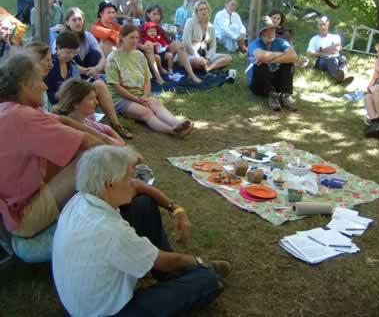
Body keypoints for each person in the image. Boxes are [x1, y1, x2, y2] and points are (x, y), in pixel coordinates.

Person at [52, 145, 230, 317]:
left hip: (81, 300)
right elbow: (163, 261)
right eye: (128, 178)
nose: (133, 182)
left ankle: (172, 276)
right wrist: (197, 262)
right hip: (102, 313)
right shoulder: (110, 231)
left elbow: (139, 186)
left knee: (143, 203)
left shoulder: (82, 198)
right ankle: (199, 272)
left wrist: (176, 209)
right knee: (208, 280)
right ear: (110, 184)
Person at [0, 52, 105, 238]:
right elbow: (88, 143)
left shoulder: (8, 108)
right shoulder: (23, 117)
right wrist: (120, 152)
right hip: (22, 218)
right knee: (92, 157)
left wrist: (109, 138)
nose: (45, 86)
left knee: (74, 154)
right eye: (41, 80)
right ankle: (110, 214)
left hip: (10, 205)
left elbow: (59, 120)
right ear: (24, 85)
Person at [106, 24, 195, 137]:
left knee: (156, 104)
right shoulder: (113, 58)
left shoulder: (139, 55)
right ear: (122, 38)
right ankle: (173, 131)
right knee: (146, 112)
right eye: (131, 37)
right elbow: (116, 87)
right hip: (121, 99)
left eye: (137, 38)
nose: (134, 41)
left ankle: (177, 123)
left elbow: (147, 79)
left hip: (140, 95)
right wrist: (137, 99)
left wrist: (145, 95)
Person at [45, 31, 133, 139]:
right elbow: (49, 94)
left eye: (74, 53)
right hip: (59, 104)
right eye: (68, 52)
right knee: (86, 106)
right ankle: (94, 132)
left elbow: (78, 85)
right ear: (57, 48)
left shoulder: (72, 65)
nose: (71, 56)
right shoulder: (50, 65)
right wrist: (68, 94)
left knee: (99, 84)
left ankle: (116, 124)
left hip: (74, 100)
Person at [53, 78, 126, 146]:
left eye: (95, 98)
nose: (97, 102)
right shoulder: (68, 129)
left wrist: (121, 143)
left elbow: (108, 129)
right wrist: (118, 145)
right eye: (91, 99)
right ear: (75, 103)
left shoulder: (83, 120)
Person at [140, 4, 201, 84]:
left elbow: (168, 42)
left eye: (158, 14)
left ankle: (191, 74)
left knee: (178, 43)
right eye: (154, 14)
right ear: (148, 14)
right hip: (150, 54)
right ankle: (158, 77)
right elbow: (137, 42)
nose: (157, 17)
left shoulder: (160, 28)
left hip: (163, 54)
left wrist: (172, 37)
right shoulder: (141, 27)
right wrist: (142, 46)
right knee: (148, 44)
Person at [247, 16, 298, 111]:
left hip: (276, 81)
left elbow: (294, 56)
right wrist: (282, 55)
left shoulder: (281, 42)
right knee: (259, 63)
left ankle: (285, 95)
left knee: (289, 63)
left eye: (273, 29)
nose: (271, 33)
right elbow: (260, 56)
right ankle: (271, 95)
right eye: (267, 30)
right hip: (259, 84)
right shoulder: (254, 44)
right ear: (262, 33)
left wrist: (269, 58)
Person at [183, 0, 232, 72]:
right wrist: (197, 56)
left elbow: (213, 46)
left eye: (205, 9)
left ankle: (209, 68)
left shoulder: (211, 26)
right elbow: (186, 43)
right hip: (191, 54)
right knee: (199, 62)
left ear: (208, 11)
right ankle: (205, 65)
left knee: (228, 58)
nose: (203, 11)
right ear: (196, 12)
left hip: (205, 54)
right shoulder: (190, 22)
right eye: (201, 10)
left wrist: (208, 58)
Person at [306, 16, 354, 85]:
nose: (323, 27)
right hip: (323, 60)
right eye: (320, 25)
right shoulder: (314, 39)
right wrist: (325, 52)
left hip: (337, 57)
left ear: (328, 24)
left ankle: (343, 75)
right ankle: (339, 78)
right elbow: (309, 53)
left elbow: (338, 48)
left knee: (342, 59)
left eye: (324, 24)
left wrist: (322, 49)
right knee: (332, 60)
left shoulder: (335, 37)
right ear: (318, 26)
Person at [63, 7, 106, 79]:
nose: (78, 22)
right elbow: (67, 63)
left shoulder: (87, 36)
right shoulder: (63, 38)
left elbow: (102, 57)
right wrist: (87, 71)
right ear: (67, 22)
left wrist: (96, 69)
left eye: (80, 19)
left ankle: (90, 80)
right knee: (74, 56)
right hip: (71, 72)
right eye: (74, 20)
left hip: (88, 69)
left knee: (95, 53)